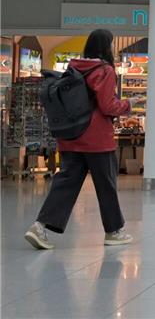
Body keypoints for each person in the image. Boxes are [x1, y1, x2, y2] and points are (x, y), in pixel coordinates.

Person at [25, 29, 140, 250]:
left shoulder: (74, 68)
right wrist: (128, 104)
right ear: (107, 46)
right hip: (97, 139)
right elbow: (108, 106)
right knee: (106, 185)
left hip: (71, 136)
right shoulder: (104, 70)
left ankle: (39, 226)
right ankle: (113, 232)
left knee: (65, 182)